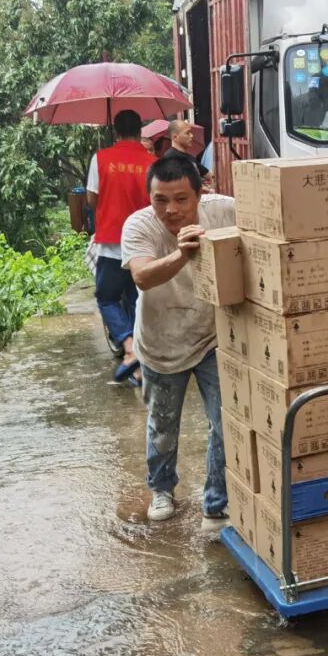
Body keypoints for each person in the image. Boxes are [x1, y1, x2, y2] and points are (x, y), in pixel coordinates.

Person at [121, 153, 234, 527]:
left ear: (200, 194)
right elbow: (142, 277)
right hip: (160, 342)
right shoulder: (138, 227)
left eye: (181, 199)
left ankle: (216, 505)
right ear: (149, 197)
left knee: (225, 421)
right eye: (160, 199)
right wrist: (183, 255)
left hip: (212, 336)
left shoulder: (223, 211)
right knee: (163, 425)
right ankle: (161, 488)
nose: (171, 209)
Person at [87, 109, 157, 385]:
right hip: (143, 243)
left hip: (112, 242)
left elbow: (92, 199)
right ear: (140, 131)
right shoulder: (152, 162)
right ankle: (139, 363)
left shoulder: (101, 159)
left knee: (106, 297)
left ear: (115, 131)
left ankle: (129, 347)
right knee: (137, 299)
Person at [166, 119, 214, 190]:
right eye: (187, 133)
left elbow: (210, 175)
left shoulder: (189, 157)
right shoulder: (171, 157)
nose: (191, 136)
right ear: (175, 137)